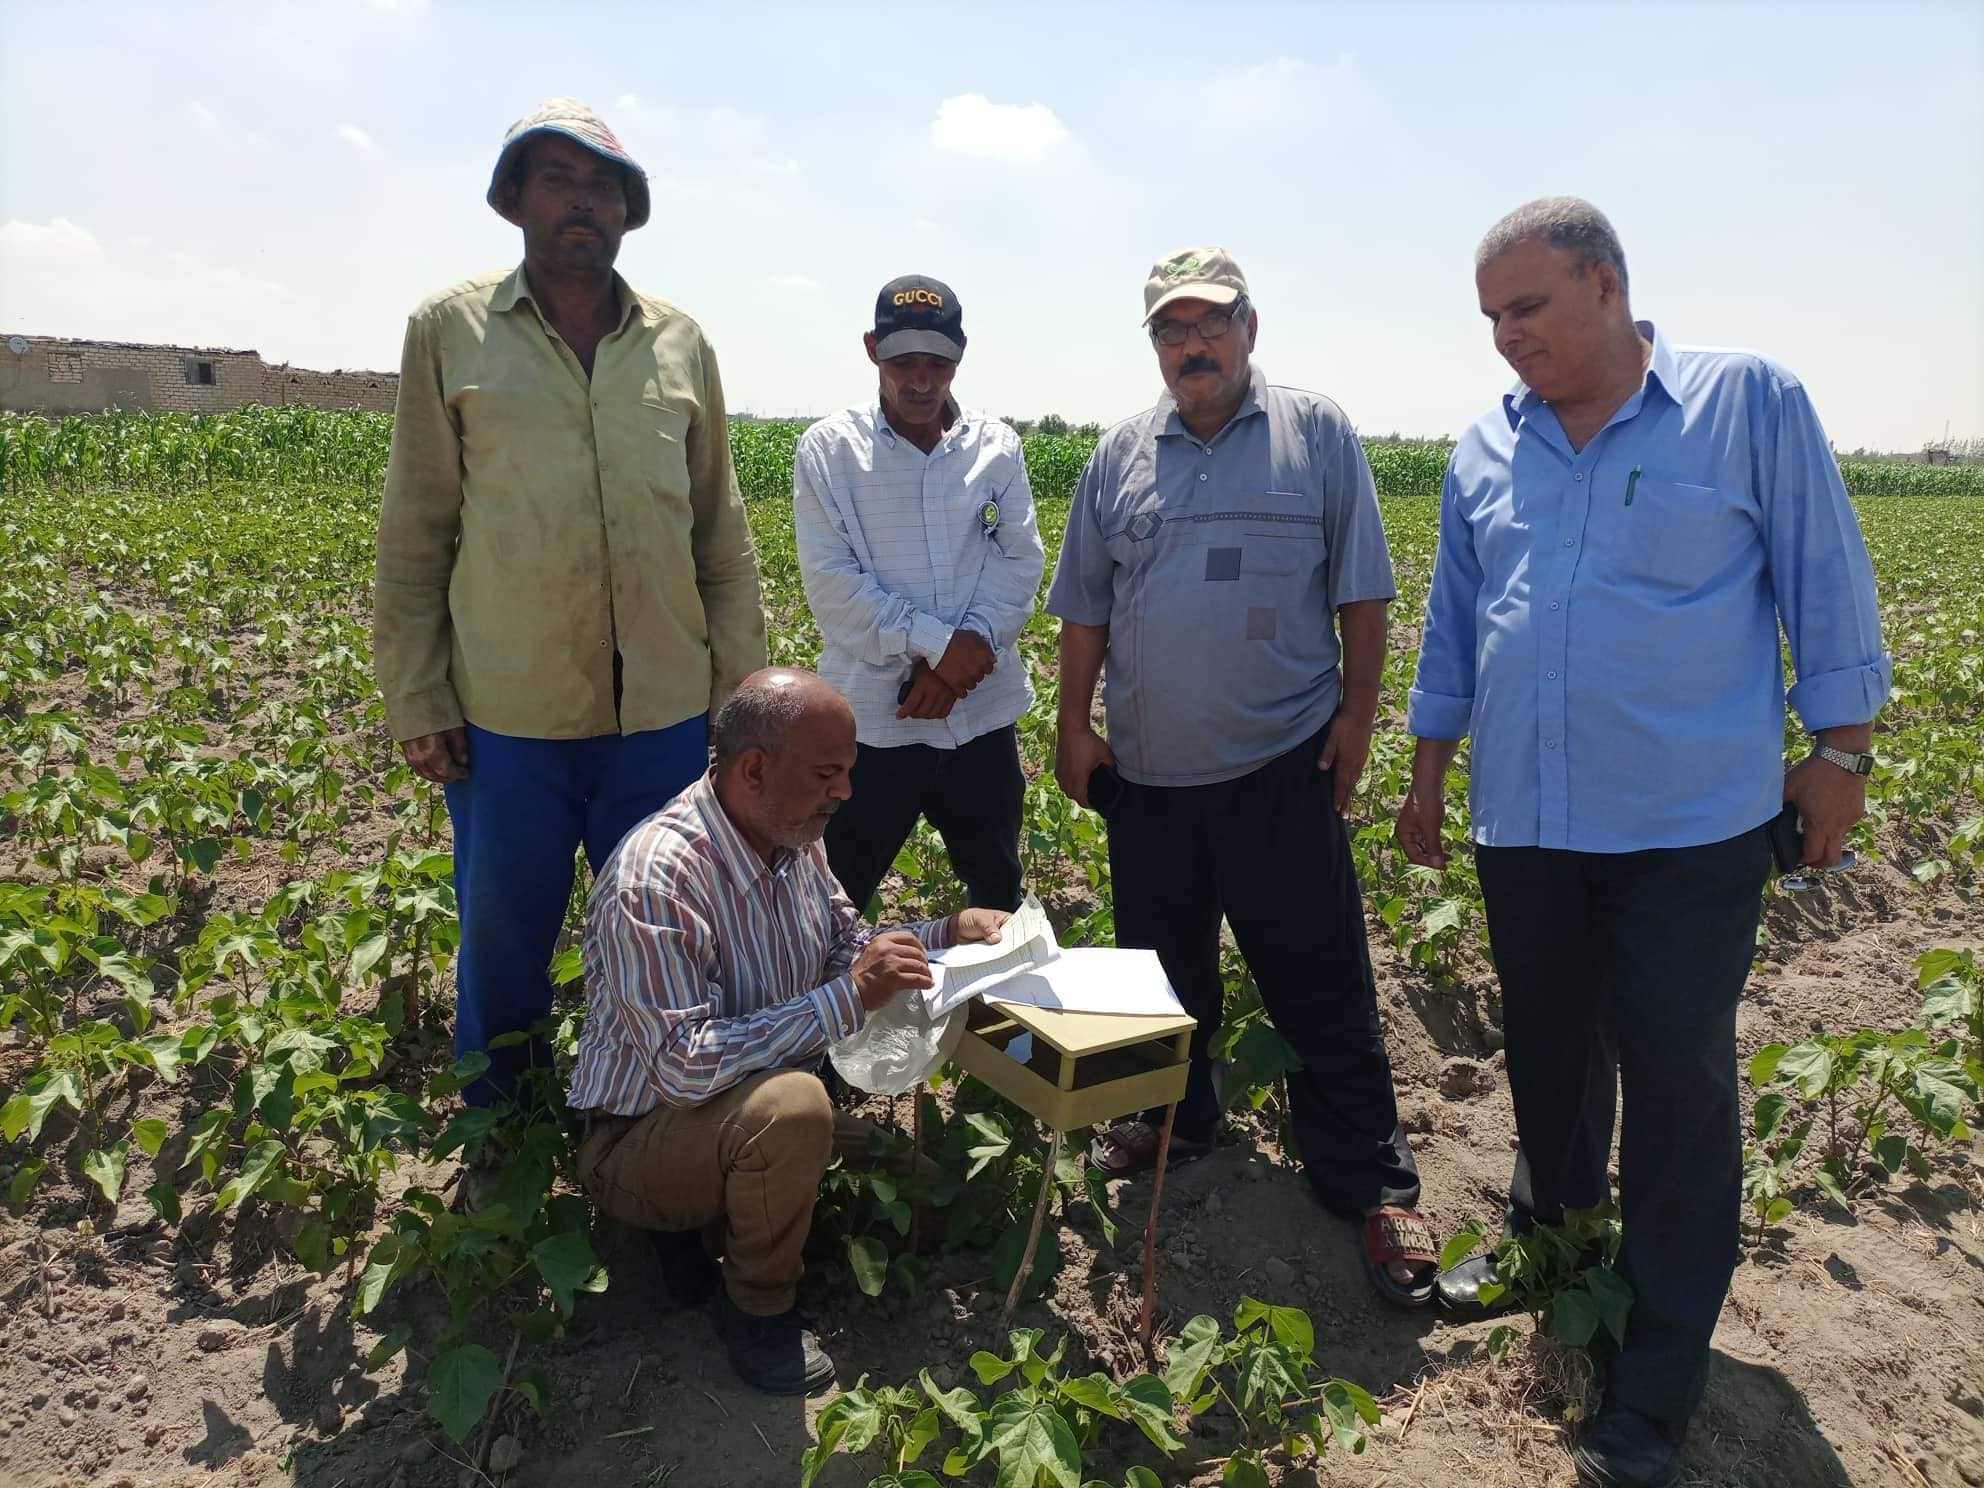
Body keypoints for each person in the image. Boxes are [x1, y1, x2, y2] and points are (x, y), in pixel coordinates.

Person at [1401, 198, 1890, 1488]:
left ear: (1606, 285)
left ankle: (1657, 1377)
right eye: (1490, 317)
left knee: (1677, 1091)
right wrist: (1428, 773)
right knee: (1551, 1060)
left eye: (1527, 307)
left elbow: (1823, 573)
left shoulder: (1742, 404)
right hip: (1529, 821)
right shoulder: (1484, 447)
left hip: (1687, 830)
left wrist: (1839, 754)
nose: (1506, 338)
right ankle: (1554, 1249)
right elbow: (1457, 622)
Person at [1046, 246, 1437, 1307]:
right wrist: (1071, 722)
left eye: (1210, 324)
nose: (1193, 345)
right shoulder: (1119, 454)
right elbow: (1083, 604)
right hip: (1148, 779)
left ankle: (1371, 1183)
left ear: (1249, 329)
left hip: (1279, 767)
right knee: (1161, 977)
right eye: (1171, 330)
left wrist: (1357, 716)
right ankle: (1173, 1125)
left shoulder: (1316, 434)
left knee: (1320, 981)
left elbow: (1363, 591)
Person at [372, 99, 767, 1110]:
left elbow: (720, 533)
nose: (581, 201)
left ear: (629, 212)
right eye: (557, 179)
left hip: (664, 715)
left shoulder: (680, 341)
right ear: (514, 200)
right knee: (504, 934)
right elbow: (416, 531)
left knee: (667, 932)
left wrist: (741, 696)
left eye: (602, 186)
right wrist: (417, 694)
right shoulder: (450, 330)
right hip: (512, 715)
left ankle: (644, 1123)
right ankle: (503, 1128)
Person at [568, 668, 1010, 1394]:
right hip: (642, 1139)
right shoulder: (657, 880)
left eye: (849, 771)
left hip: (751, 1112)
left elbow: (847, 946)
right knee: (798, 1107)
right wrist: (849, 997)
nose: (846, 792)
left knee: (941, 1203)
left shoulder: (794, 834)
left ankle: (713, 1228)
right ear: (754, 769)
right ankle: (757, 1308)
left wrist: (946, 934)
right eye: (828, 774)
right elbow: (683, 1066)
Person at [794, 275, 1045, 916]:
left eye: (938, 363)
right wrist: (939, 647)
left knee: (997, 893)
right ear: (872, 349)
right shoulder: (830, 451)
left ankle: (991, 987)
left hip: (981, 720)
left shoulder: (998, 448)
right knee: (837, 898)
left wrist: (959, 663)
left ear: (961, 355)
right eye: (903, 361)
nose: (921, 381)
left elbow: (1019, 560)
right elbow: (832, 585)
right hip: (874, 726)